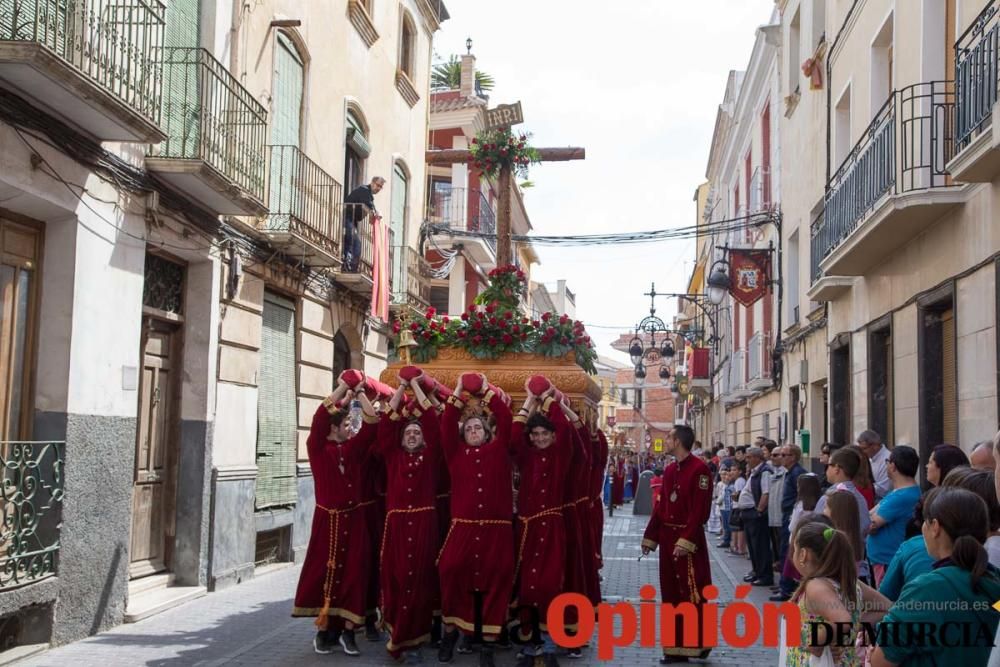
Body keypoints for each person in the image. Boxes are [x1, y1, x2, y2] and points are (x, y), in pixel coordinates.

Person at [294, 378, 378, 656]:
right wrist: (342, 388)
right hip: (327, 522)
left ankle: (348, 632)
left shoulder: (352, 450)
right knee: (325, 573)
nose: (350, 429)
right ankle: (324, 631)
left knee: (354, 573)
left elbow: (372, 425)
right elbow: (319, 417)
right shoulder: (318, 449)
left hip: (353, 521)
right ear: (333, 428)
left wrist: (362, 394)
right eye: (345, 425)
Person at [870, 488, 1000, 667]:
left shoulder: (927, 590)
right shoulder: (994, 580)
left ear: (935, 527)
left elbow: (881, 661)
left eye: (925, 521)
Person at [437, 374, 514, 667]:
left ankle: (487, 648)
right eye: (468, 428)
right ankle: (449, 635)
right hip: (464, 530)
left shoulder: (500, 451)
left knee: (495, 582)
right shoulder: (455, 455)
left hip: (497, 533)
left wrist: (486, 390)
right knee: (450, 572)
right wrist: (457, 392)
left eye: (477, 427)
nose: (472, 430)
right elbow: (446, 425)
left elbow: (505, 419)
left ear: (485, 431)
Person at [509, 383, 580, 667]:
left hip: (551, 528)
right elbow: (514, 438)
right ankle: (530, 645)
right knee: (527, 588)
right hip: (527, 530)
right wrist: (528, 400)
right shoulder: (526, 456)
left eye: (544, 434)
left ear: (552, 435)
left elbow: (565, 431)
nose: (539, 438)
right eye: (535, 434)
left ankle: (549, 644)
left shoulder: (561, 454)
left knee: (551, 584)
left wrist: (550, 399)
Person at [375, 376, 443, 662]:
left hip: (425, 525)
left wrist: (417, 386)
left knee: (421, 581)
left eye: (417, 433)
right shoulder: (392, 456)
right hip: (398, 527)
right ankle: (396, 634)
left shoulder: (431, 456)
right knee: (398, 579)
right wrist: (401, 388)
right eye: (408, 433)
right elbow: (386, 427)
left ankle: (415, 639)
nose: (413, 435)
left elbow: (433, 423)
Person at [641, 425, 713, 664]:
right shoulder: (671, 469)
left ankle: (697, 643)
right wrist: (650, 537)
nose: (666, 440)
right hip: (667, 538)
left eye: (669, 437)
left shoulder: (700, 470)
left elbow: (699, 511)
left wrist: (686, 540)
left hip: (688, 541)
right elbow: (662, 506)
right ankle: (673, 648)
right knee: (670, 594)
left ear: (679, 441)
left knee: (691, 592)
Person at [781, 522, 890, 667]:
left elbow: (843, 620)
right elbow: (887, 607)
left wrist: (817, 641)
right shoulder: (850, 584)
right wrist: (853, 625)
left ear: (803, 554)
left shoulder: (816, 586)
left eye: (794, 549)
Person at [866, 446, 921, 587]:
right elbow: (870, 515)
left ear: (893, 466)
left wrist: (870, 525)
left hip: (888, 561)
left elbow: (870, 523)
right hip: (884, 559)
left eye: (887, 461)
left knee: (884, 602)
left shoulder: (902, 496)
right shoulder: (898, 493)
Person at [773, 473, 823, 602]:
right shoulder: (819, 502)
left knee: (796, 570)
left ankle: (797, 595)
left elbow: (792, 525)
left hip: (797, 540)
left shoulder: (801, 505)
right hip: (811, 540)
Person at [816, 447, 872, 537]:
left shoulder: (829, 498)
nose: (826, 469)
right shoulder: (860, 498)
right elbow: (865, 527)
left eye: (829, 465)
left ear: (837, 468)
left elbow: (816, 529)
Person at [742, 446, 774, 586]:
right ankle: (756, 571)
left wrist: (759, 511)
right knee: (752, 545)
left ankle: (764, 575)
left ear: (757, 458)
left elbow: (766, 493)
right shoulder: (755, 471)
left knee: (760, 546)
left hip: (756, 515)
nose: (746, 460)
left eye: (749, 457)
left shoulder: (764, 471)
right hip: (748, 514)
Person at [824, 489, 870, 584]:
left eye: (826, 508)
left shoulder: (836, 539)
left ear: (836, 512)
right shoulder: (853, 537)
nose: (823, 511)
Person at [343, 176, 385, 271]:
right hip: (348, 218)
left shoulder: (369, 195)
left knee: (353, 243)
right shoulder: (364, 190)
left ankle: (350, 266)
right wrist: (375, 212)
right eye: (378, 185)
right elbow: (368, 203)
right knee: (354, 242)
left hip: (353, 221)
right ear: (372, 183)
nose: (378, 188)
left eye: (380, 187)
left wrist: (373, 213)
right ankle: (349, 265)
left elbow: (370, 204)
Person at [767, 446, 786, 574]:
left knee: (782, 549)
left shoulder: (786, 473)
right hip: (773, 516)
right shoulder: (773, 471)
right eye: (772, 455)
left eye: (776, 455)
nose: (772, 457)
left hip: (781, 516)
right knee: (777, 549)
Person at [857, 430, 892, 501]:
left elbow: (883, 489)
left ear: (875, 446)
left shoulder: (887, 459)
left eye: (864, 449)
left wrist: (861, 487)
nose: (862, 452)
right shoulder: (870, 458)